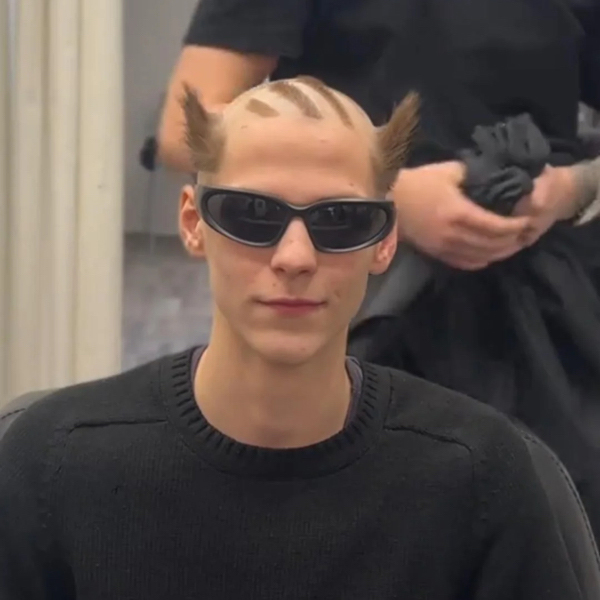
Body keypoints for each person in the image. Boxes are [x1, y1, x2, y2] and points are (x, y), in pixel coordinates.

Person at [0, 78, 584, 599]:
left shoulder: (481, 477)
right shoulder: (51, 464)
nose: (295, 257)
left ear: (384, 240)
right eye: (251, 214)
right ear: (194, 223)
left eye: (340, 220)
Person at [157, 0, 600, 540]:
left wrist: (571, 189)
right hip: (350, 291)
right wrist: (389, 195)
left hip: (549, 321)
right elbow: (188, 125)